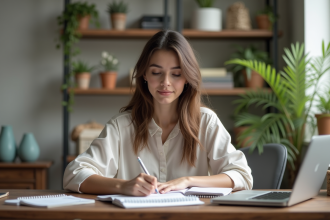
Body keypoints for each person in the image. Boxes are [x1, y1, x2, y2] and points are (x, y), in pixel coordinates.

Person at [63, 30, 253, 196]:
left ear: (187, 77)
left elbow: (242, 175)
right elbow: (73, 174)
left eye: (176, 74)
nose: (165, 82)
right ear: (144, 74)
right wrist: (123, 186)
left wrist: (188, 181)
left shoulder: (206, 122)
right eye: (156, 72)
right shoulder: (122, 126)